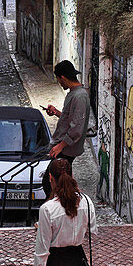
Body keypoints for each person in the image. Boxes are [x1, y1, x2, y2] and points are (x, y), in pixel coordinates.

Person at [42, 60, 90, 196]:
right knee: (57, 184)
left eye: (58, 80)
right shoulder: (74, 93)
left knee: (50, 184)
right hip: (64, 148)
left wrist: (60, 146)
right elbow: (71, 118)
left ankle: (58, 211)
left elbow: (76, 129)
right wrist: (57, 112)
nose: (60, 83)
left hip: (66, 149)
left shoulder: (79, 96)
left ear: (62, 77)